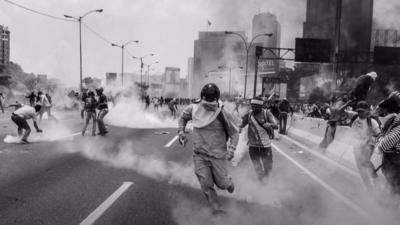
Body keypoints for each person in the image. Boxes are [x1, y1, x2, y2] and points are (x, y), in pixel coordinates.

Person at [178, 83, 238, 214]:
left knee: (222, 184)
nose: (209, 102)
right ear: (202, 97)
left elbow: (234, 133)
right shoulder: (193, 108)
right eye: (207, 99)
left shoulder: (223, 113)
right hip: (199, 155)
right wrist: (181, 133)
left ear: (216, 98)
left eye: (212, 99)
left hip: (218, 156)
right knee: (206, 183)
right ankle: (216, 208)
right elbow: (182, 118)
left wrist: (232, 149)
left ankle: (228, 183)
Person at [239, 97, 278, 181]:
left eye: (256, 107)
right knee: (258, 168)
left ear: (261, 106)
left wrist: (270, 125)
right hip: (253, 146)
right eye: (253, 106)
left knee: (268, 168)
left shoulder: (267, 113)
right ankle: (262, 184)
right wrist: (238, 127)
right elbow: (241, 124)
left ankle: (268, 183)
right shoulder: (249, 114)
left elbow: (276, 125)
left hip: (265, 146)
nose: (254, 109)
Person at [350, 101, 380, 189]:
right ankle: (368, 185)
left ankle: (376, 179)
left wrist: (369, 138)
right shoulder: (355, 120)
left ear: (367, 111)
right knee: (360, 166)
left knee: (364, 161)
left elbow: (379, 135)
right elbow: (353, 133)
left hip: (368, 146)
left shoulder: (372, 121)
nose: (360, 113)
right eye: (358, 111)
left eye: (362, 111)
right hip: (357, 146)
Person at [375, 91, 400, 194]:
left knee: (395, 188)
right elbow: (380, 138)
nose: (380, 116)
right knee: (391, 184)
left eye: (382, 113)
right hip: (391, 162)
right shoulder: (390, 124)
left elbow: (382, 145)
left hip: (396, 162)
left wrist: (380, 139)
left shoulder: (397, 126)